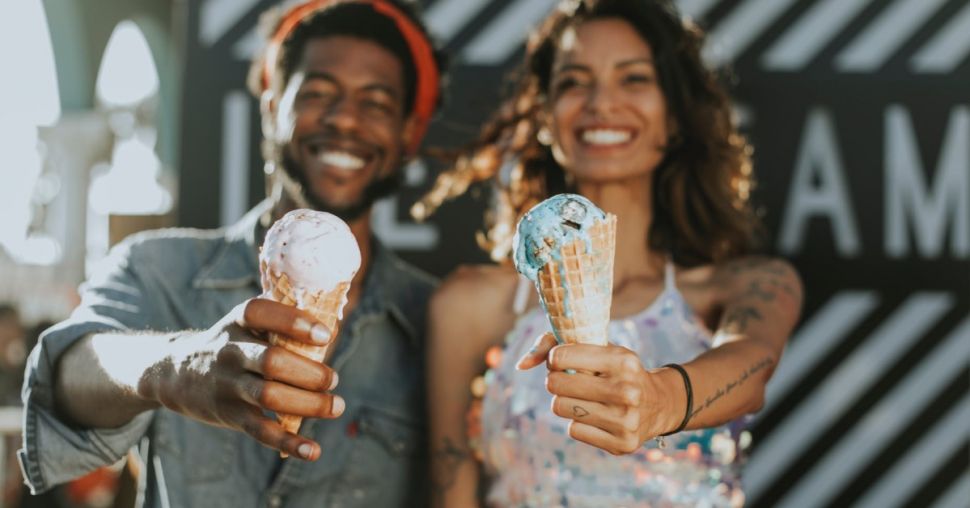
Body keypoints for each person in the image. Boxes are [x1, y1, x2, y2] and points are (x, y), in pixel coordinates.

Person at [19, 1, 446, 506]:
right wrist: (174, 367)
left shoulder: (438, 319)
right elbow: (67, 376)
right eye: (317, 92)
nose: (345, 120)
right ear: (271, 108)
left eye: (375, 103)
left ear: (408, 135)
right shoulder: (158, 269)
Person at [418, 0, 802, 506]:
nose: (601, 101)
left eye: (634, 79)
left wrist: (660, 400)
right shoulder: (470, 306)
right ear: (546, 118)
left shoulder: (747, 285)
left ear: (676, 117)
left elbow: (751, 366)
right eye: (574, 81)